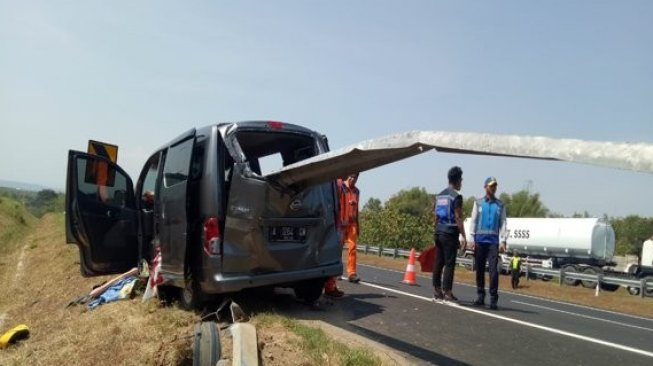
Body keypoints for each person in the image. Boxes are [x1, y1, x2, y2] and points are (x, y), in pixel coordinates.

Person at [470, 177, 507, 310]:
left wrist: (503, 240)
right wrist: (471, 238)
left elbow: (503, 223)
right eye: (491, 186)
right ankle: (480, 296)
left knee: (493, 271)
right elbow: (473, 221)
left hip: (493, 242)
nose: (494, 188)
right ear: (485, 187)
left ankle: (493, 298)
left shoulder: (500, 205)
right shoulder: (478, 203)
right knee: (479, 270)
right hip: (480, 240)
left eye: (495, 186)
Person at [432, 166, 467, 303]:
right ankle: (448, 291)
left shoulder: (440, 195)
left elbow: (435, 215)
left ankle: (436, 289)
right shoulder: (456, 196)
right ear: (457, 180)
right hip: (450, 232)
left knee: (438, 261)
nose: (461, 183)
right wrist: (463, 235)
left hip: (439, 230)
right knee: (449, 263)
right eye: (461, 180)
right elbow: (458, 216)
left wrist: (435, 230)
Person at [324, 173, 361, 297]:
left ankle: (352, 273)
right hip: (341, 224)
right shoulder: (340, 187)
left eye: (355, 177)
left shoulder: (357, 191)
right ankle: (332, 282)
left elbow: (357, 209)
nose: (353, 179)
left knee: (353, 248)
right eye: (351, 176)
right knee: (337, 251)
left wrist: (358, 224)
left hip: (352, 224)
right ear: (347, 176)